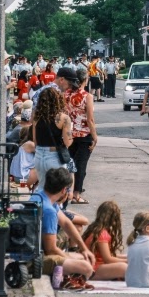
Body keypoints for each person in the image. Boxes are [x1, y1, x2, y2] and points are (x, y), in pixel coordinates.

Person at [36, 167, 94, 289]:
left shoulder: (41, 196)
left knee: (83, 257)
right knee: (86, 267)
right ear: (64, 190)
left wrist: (84, 249)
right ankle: (65, 276)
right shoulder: (49, 211)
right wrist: (71, 261)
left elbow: (67, 223)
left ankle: (69, 269)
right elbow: (51, 250)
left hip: (38, 250)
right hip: (38, 259)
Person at [60, 68, 97, 205]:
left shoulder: (66, 94)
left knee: (69, 164)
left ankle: (68, 190)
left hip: (69, 133)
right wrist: (95, 137)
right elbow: (90, 119)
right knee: (81, 165)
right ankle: (76, 194)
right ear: (85, 80)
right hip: (84, 134)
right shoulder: (87, 96)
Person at [28, 85, 74, 194]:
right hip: (54, 156)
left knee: (42, 187)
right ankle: (55, 211)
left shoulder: (36, 116)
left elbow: (35, 140)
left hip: (39, 155)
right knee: (57, 191)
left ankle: (40, 209)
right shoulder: (63, 118)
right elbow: (68, 141)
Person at [81, 201, 128, 281]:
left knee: (127, 258)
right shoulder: (102, 233)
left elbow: (108, 255)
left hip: (96, 264)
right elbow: (108, 259)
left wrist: (128, 257)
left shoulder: (96, 229)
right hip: (94, 267)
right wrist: (128, 261)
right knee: (124, 267)